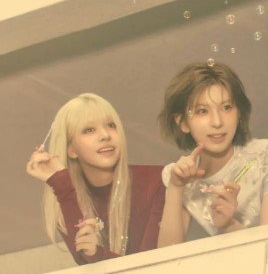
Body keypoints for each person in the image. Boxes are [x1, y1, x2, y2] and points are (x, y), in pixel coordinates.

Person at [157, 62, 268, 245]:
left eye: (226, 107)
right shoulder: (179, 175)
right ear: (183, 122)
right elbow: (167, 255)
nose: (217, 122)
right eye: (202, 111)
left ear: (239, 113)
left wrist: (228, 226)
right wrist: (176, 187)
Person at [25, 93, 165, 264]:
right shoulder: (65, 197)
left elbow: (150, 268)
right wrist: (60, 182)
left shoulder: (157, 180)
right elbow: (86, 263)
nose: (105, 135)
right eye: (89, 130)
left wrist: (96, 253)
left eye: (111, 125)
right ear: (71, 150)